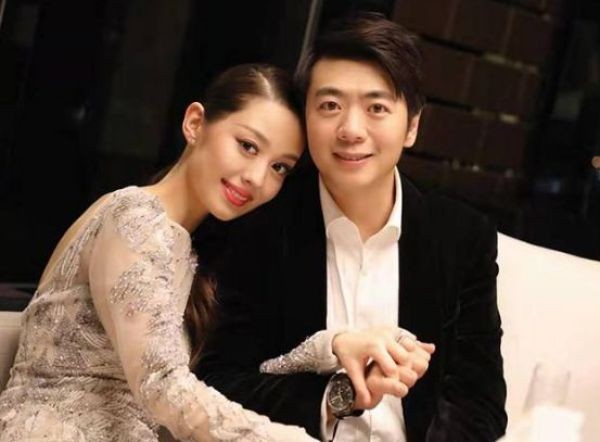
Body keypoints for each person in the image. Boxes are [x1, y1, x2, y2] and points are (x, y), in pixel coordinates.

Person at [195, 13, 508, 441]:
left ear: (412, 126)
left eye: (377, 108)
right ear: (306, 119)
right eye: (330, 106)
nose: (351, 130)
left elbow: (481, 406)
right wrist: (336, 396)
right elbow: (218, 383)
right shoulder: (260, 224)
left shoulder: (461, 237)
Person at [0, 63, 318, 441]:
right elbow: (162, 383)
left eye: (279, 167)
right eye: (247, 146)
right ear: (195, 123)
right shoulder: (133, 218)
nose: (257, 177)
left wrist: (326, 350)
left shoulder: (184, 246)